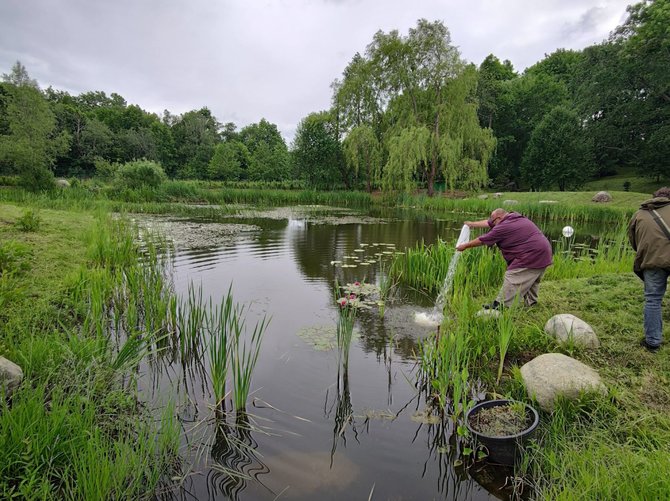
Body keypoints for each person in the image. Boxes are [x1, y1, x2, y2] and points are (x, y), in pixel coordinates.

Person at [456, 208, 553, 309]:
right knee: (530, 277)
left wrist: (465, 246)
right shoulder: (513, 217)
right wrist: (472, 224)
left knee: (513, 275)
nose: (492, 224)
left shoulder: (503, 226)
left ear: (499, 218)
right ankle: (531, 303)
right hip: (544, 252)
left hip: (532, 254)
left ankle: (501, 305)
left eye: (493, 221)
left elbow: (483, 240)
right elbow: (489, 223)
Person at [627, 187, 670, 352]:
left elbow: (633, 239)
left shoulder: (640, 214)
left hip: (652, 261)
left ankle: (653, 342)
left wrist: (645, 252)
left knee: (653, 300)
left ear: (654, 197)